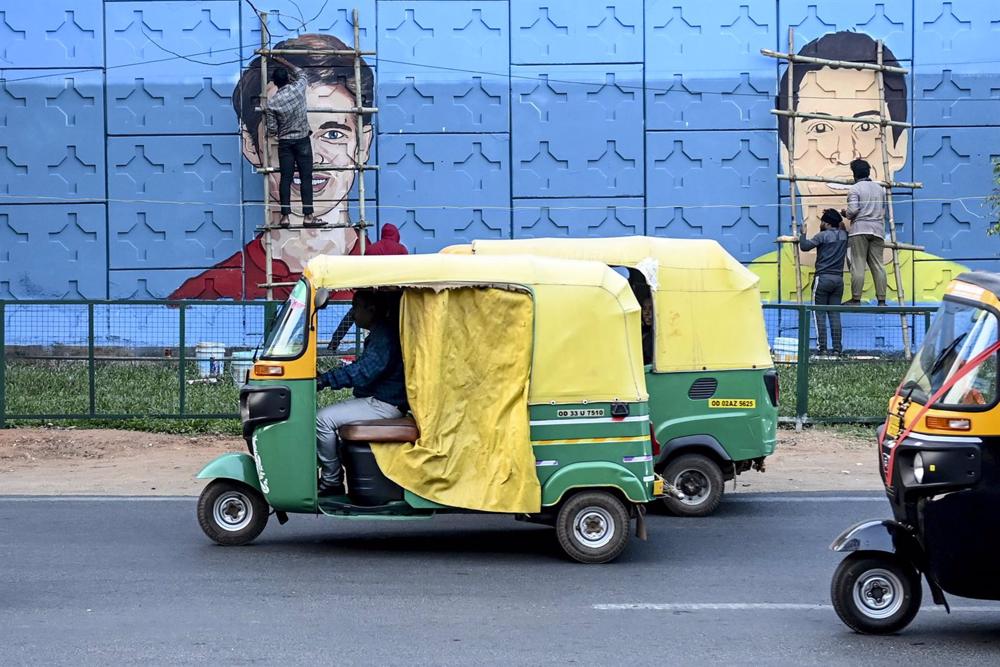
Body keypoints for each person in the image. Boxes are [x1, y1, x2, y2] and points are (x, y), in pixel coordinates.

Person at [169, 34, 375, 300]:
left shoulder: (392, 280)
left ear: (363, 144)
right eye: (272, 137)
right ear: (251, 145)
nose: (315, 157)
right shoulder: (210, 293)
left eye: (333, 134)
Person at [315, 290, 407, 496]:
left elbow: (364, 371)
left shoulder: (384, 336)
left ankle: (331, 481)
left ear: (371, 310)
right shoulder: (380, 333)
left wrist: (325, 380)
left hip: (384, 404)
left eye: (356, 306)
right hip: (379, 400)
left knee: (321, 420)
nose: (353, 312)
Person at [327, 224, 409, 351]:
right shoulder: (402, 250)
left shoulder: (372, 249)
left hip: (372, 293)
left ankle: (333, 343)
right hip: (394, 295)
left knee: (352, 315)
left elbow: (365, 271)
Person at [265, 55, 319, 229]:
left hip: (285, 143)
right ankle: (308, 216)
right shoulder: (297, 89)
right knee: (306, 178)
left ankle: (285, 217)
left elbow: (272, 129)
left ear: (275, 83)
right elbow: (301, 73)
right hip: (302, 140)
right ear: (288, 79)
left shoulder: (273, 103)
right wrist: (280, 59)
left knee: (286, 179)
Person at [799, 209, 848, 355]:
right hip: (838, 280)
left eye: (822, 221)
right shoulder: (845, 236)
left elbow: (805, 246)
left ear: (827, 223)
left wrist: (803, 233)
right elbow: (843, 229)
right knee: (834, 315)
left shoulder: (822, 236)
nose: (820, 224)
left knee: (818, 314)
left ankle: (823, 349)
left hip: (823, 279)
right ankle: (837, 349)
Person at [841, 159, 888, 306]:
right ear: (868, 172)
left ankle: (856, 299)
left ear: (854, 174)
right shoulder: (880, 189)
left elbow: (853, 210)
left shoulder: (855, 189)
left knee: (858, 264)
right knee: (878, 265)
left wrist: (845, 213)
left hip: (860, 230)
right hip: (878, 230)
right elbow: (882, 209)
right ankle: (882, 300)